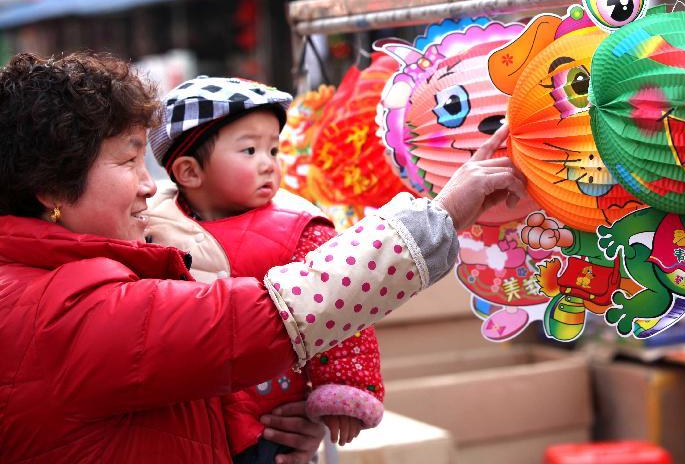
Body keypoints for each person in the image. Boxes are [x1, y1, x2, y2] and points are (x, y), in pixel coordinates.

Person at [0, 52, 525, 464]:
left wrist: (266, 418)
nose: (144, 185)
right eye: (127, 160)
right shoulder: (59, 311)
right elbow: (267, 318)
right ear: (51, 189)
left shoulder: (56, 280)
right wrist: (440, 217)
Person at [143, 76, 384, 462]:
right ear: (189, 173)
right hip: (186, 423)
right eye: (250, 149)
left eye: (273, 149)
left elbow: (341, 304)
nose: (269, 164)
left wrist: (344, 387)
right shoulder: (149, 227)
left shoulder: (298, 227)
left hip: (270, 418)